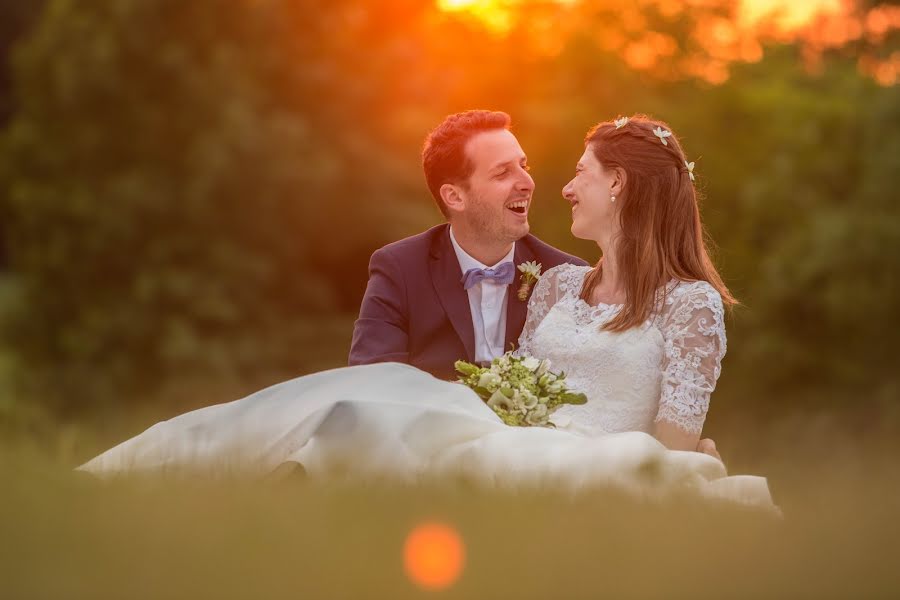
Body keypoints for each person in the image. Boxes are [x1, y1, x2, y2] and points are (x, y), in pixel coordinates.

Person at [77, 114, 770, 510]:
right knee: (372, 395)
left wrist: (690, 453)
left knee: (384, 409)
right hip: (492, 429)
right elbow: (486, 384)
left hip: (573, 455)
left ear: (618, 185)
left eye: (577, 174)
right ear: (454, 196)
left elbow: (672, 446)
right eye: (507, 172)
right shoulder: (560, 289)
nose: (553, 185)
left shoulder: (685, 303)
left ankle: (259, 487)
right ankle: (158, 468)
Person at [348, 110, 587, 380]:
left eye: (524, 166)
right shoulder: (399, 269)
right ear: (455, 197)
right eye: (502, 173)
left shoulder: (566, 275)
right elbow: (371, 381)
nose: (527, 183)